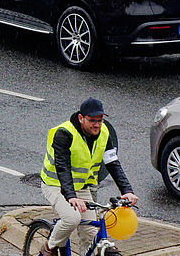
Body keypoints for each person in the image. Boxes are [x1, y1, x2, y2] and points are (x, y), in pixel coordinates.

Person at [36, 98, 137, 256]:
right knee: (72, 218)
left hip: (81, 187)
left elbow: (113, 163)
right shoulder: (64, 133)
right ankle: (48, 247)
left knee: (90, 235)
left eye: (100, 120)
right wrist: (71, 196)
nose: (97, 125)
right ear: (81, 118)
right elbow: (63, 167)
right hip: (55, 185)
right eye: (92, 120)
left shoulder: (104, 133)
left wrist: (127, 190)